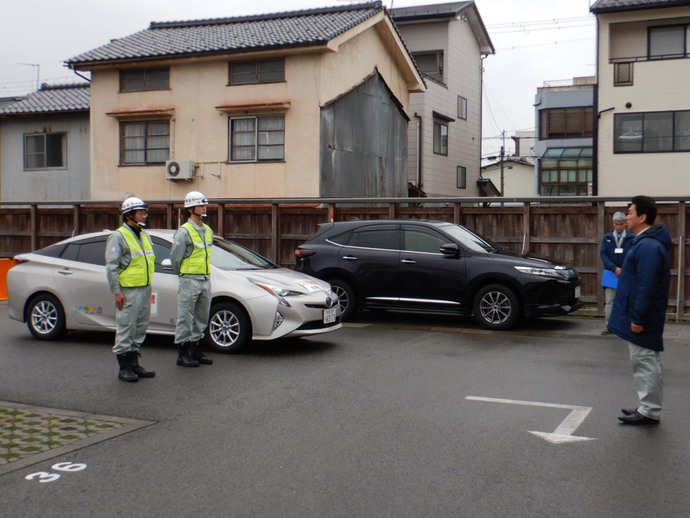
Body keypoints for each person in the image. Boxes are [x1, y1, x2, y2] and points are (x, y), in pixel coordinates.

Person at [608, 195, 671, 425]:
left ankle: (649, 411)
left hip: (643, 317)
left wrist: (638, 317)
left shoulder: (649, 246)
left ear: (642, 217)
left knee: (645, 361)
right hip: (640, 314)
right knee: (643, 360)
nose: (627, 217)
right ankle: (647, 406)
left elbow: (647, 285)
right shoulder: (643, 243)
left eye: (630, 213)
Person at [105, 196, 157, 382]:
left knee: (140, 326)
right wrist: (116, 292)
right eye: (140, 212)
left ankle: (135, 364)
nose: (144, 215)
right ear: (129, 215)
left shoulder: (144, 235)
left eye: (144, 212)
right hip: (127, 291)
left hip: (144, 288)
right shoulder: (118, 236)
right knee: (126, 327)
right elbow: (112, 266)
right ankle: (124, 367)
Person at [170, 191, 214, 367]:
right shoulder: (184, 232)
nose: (204, 208)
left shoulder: (207, 230)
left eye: (205, 204)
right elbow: (175, 258)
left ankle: (196, 349)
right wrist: (183, 274)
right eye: (201, 205)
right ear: (191, 208)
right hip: (189, 279)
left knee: (201, 317)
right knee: (185, 317)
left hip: (204, 279)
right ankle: (183, 353)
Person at [599, 211, 634, 335]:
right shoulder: (607, 238)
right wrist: (614, 268)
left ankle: (625, 325)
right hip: (611, 273)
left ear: (625, 224)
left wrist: (624, 268)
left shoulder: (631, 237)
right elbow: (603, 254)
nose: (618, 226)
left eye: (621, 224)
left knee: (627, 300)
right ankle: (609, 326)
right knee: (610, 301)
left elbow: (633, 254)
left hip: (627, 272)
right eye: (616, 224)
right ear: (613, 224)